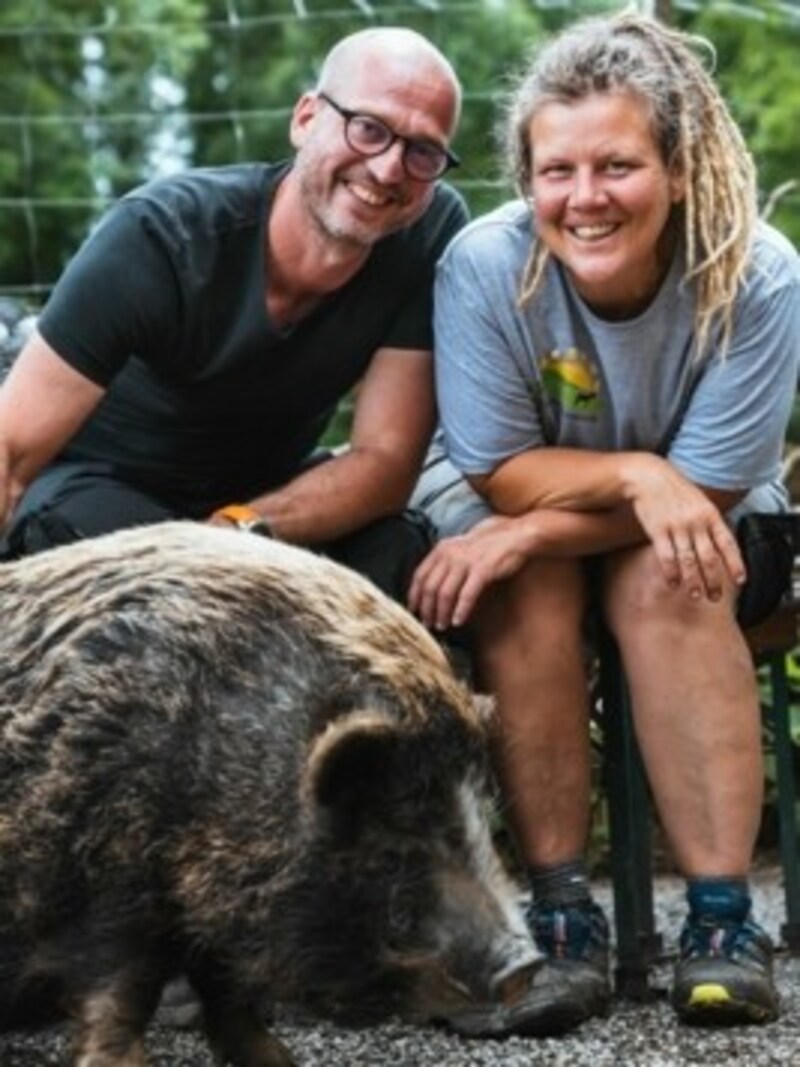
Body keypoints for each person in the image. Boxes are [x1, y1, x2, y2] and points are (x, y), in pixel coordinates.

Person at [409, 11, 800, 1034]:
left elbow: (703, 491)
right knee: (521, 583)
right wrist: (631, 472)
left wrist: (548, 523)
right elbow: (496, 469)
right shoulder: (483, 265)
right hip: (520, 505)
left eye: (616, 165)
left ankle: (720, 923)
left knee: (663, 569)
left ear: (674, 167)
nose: (582, 198)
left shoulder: (754, 273)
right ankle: (558, 920)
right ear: (523, 175)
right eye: (555, 169)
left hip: (698, 521)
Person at [0, 27, 467, 604]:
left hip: (257, 503)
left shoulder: (429, 232)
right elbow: (10, 453)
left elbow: (385, 463)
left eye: (422, 150)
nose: (389, 169)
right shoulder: (160, 238)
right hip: (107, 487)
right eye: (368, 129)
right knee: (139, 593)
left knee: (397, 555)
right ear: (305, 119)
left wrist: (233, 530)